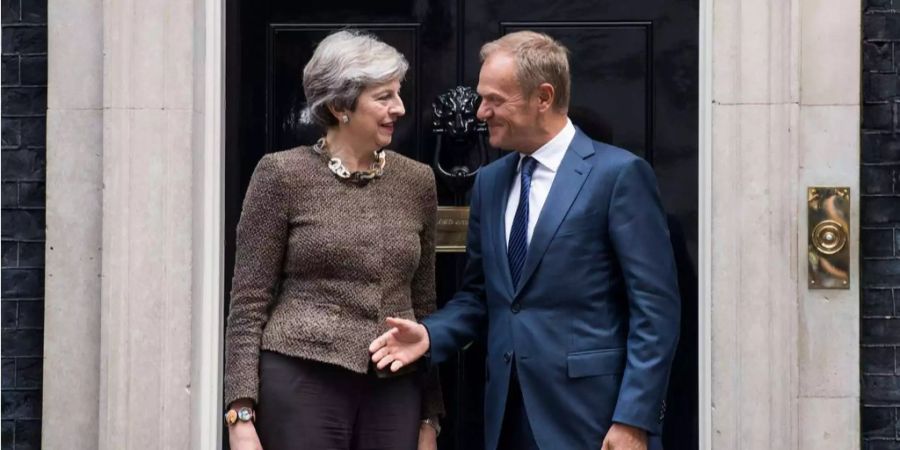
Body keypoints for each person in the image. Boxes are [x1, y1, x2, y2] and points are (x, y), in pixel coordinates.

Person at [369, 31, 680, 450]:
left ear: (544, 97)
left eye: (495, 100)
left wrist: (633, 419)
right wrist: (431, 335)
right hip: (507, 418)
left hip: (596, 420)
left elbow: (655, 311)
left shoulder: (618, 175)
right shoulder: (491, 183)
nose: (481, 112)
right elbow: (480, 297)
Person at [224, 30, 443, 450]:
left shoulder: (417, 181)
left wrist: (430, 417)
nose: (399, 108)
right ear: (341, 105)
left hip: (393, 385)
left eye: (398, 94)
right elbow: (248, 303)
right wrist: (241, 415)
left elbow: (424, 304)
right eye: (384, 97)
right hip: (301, 377)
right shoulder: (281, 175)